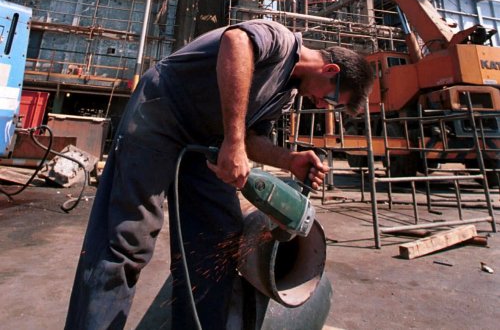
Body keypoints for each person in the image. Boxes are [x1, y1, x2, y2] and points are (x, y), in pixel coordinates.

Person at [65, 18, 373, 330]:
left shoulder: (285, 96)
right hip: (160, 114)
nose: (322, 105)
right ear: (331, 71)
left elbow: (252, 138)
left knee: (217, 239)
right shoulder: (279, 39)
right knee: (126, 240)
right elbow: (236, 42)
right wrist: (234, 141)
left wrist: (289, 159)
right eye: (332, 99)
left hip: (206, 144)